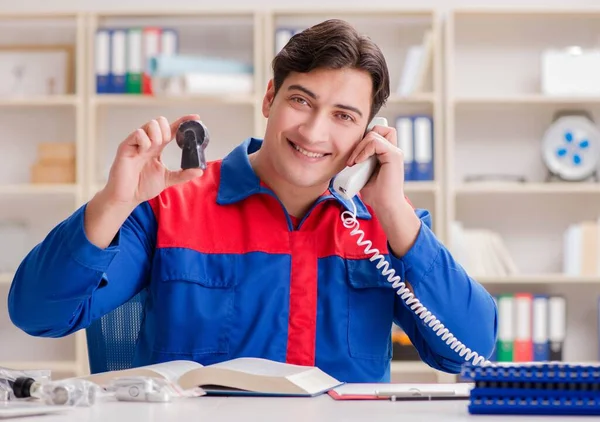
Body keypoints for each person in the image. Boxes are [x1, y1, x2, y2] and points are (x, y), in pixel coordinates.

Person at [8, 19, 497, 383]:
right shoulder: (169, 207)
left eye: (344, 116)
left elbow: (470, 351)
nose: (313, 131)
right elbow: (38, 314)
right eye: (301, 101)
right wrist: (114, 202)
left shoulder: (387, 228)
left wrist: (394, 213)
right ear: (270, 99)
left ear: (369, 134)